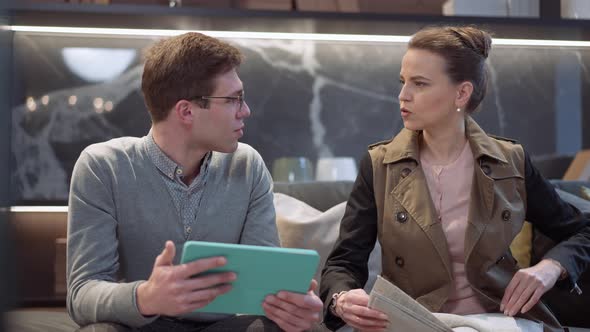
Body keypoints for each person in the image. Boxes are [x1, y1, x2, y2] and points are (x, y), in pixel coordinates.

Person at [319, 26, 590, 332]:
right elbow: (342, 263)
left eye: (419, 84)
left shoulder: (510, 162)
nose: (403, 95)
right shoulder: (380, 165)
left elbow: (583, 232)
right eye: (403, 81)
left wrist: (550, 267)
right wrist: (342, 298)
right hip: (415, 321)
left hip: (499, 321)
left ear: (462, 93)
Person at [67, 32, 323, 332]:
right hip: (143, 326)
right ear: (186, 111)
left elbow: (264, 286)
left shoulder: (247, 165)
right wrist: (146, 297)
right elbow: (81, 294)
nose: (245, 111)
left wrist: (291, 308)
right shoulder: (102, 166)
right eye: (233, 100)